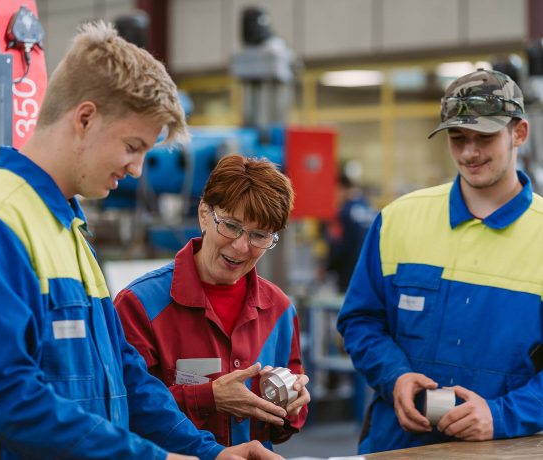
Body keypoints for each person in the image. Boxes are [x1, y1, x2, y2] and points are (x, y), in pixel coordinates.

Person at [0, 21, 281, 460]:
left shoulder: (67, 226)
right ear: (85, 118)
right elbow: (9, 398)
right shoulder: (3, 219)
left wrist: (209, 453)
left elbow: (124, 374)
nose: (137, 170)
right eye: (133, 145)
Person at [337, 68, 543, 453]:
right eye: (458, 138)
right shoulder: (398, 220)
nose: (469, 153)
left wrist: (502, 415)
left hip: (506, 449)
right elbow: (361, 321)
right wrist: (394, 376)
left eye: (484, 137)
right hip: (400, 445)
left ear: (519, 133)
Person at [114, 154, 310, 448]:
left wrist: (292, 405)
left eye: (259, 235)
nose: (242, 247)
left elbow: (282, 428)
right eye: (231, 226)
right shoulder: (139, 305)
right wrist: (209, 398)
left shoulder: (279, 309)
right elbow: (123, 408)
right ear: (204, 214)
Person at [325, 171, 376, 293]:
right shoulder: (368, 206)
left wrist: (328, 268)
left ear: (342, 188)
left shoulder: (344, 213)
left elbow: (339, 246)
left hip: (348, 274)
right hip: (369, 272)